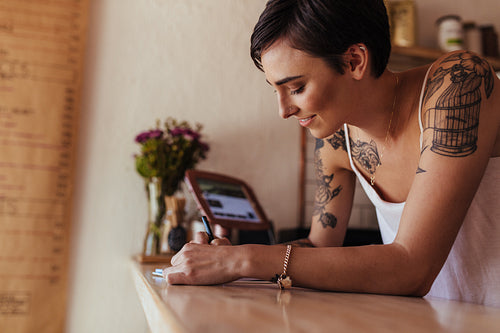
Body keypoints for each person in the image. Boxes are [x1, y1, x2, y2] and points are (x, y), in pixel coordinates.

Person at [164, 0, 500, 307]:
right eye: (276, 90)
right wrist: (230, 259)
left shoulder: (458, 85)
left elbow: (413, 266)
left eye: (296, 88)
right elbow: (321, 246)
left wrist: (245, 260)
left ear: (354, 61)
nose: (283, 110)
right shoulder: (336, 139)